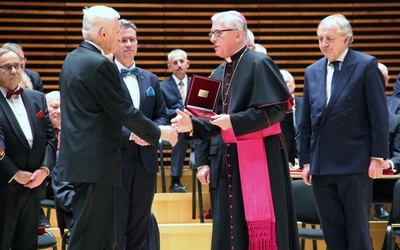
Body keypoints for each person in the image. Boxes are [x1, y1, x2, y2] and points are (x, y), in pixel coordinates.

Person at [172, 10, 299, 250]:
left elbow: (276, 111)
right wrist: (191, 126)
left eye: (218, 33)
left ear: (238, 35)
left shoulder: (260, 63)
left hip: (262, 157)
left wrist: (235, 121)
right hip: (228, 162)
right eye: (211, 33)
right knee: (229, 224)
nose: (212, 39)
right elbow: (212, 121)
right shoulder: (217, 73)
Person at [58, 5, 177, 250]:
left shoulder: (72, 58)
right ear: (103, 33)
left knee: (100, 236)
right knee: (90, 238)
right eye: (116, 33)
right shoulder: (99, 65)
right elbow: (124, 111)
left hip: (82, 163)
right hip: (97, 165)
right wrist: (159, 133)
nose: (118, 38)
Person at [300, 14, 389, 250]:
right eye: (319, 38)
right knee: (332, 230)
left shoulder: (366, 65)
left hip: (355, 162)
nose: (323, 44)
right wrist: (307, 162)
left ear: (346, 38)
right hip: (321, 163)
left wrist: (377, 157)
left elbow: (379, 115)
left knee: (357, 230)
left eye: (329, 38)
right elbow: (306, 122)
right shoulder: (312, 71)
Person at [113, 18, 168, 249]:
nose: (128, 44)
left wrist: (149, 134)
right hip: (116, 162)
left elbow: (163, 116)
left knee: (140, 226)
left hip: (146, 163)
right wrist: (130, 135)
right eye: (123, 40)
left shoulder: (151, 78)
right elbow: (100, 120)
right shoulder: (105, 76)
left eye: (132, 40)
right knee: (116, 227)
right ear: (114, 44)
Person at [0, 48, 57, 249]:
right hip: (4, 188)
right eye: (7, 67)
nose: (15, 70)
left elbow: (51, 138)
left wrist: (44, 170)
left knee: (27, 246)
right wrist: (14, 173)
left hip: (33, 187)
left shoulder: (36, 98)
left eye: (18, 66)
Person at [160, 49, 191, 192]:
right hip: (175, 126)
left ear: (187, 64)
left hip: (195, 126)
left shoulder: (197, 84)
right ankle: (175, 181)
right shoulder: (162, 87)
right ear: (169, 67)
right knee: (179, 135)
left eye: (182, 61)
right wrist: (179, 113)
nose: (179, 65)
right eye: (175, 62)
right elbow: (162, 112)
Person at [281, 69, 303, 163]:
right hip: (284, 161)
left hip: (306, 160)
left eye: (286, 82)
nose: (283, 85)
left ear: (293, 84)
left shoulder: (306, 104)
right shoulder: (272, 111)